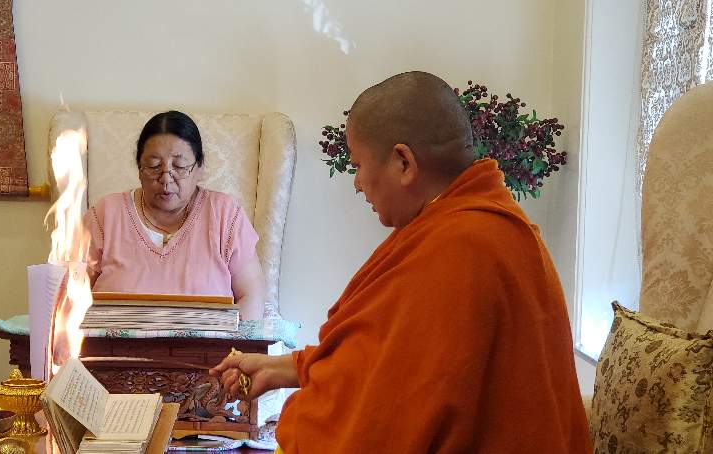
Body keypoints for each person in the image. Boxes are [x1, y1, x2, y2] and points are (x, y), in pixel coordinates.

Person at [211, 72, 591, 452]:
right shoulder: (471, 223)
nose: (357, 182)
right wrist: (284, 368)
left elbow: (388, 416)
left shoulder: (463, 247)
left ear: (403, 162)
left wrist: (303, 423)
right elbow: (380, 356)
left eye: (359, 165)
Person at [86, 110, 266, 320]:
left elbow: (251, 297)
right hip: (110, 341)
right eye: (154, 166)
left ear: (200, 167)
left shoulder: (224, 215)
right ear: (139, 169)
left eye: (179, 166)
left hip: (210, 342)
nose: (166, 179)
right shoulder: (105, 214)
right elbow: (70, 294)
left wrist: (234, 341)